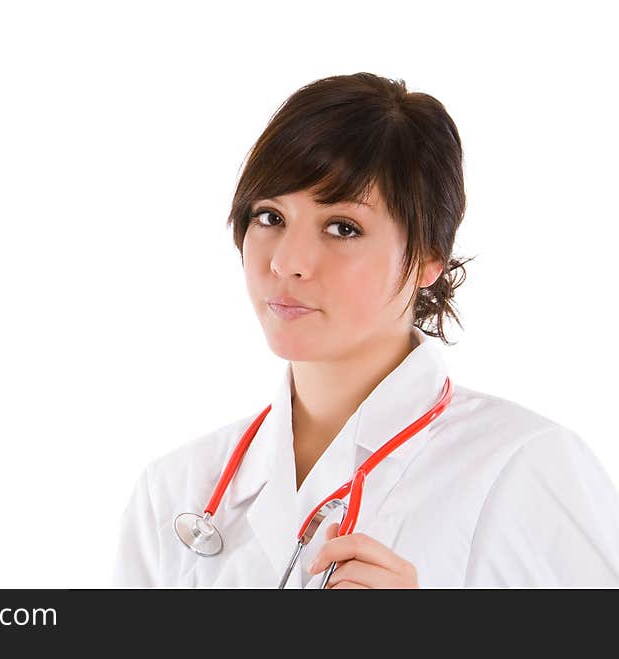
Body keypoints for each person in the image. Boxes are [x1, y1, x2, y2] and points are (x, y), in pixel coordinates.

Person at [111, 72, 619, 588]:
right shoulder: (175, 493)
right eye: (270, 217)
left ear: (427, 260)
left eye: (343, 228)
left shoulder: (525, 466)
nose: (288, 262)